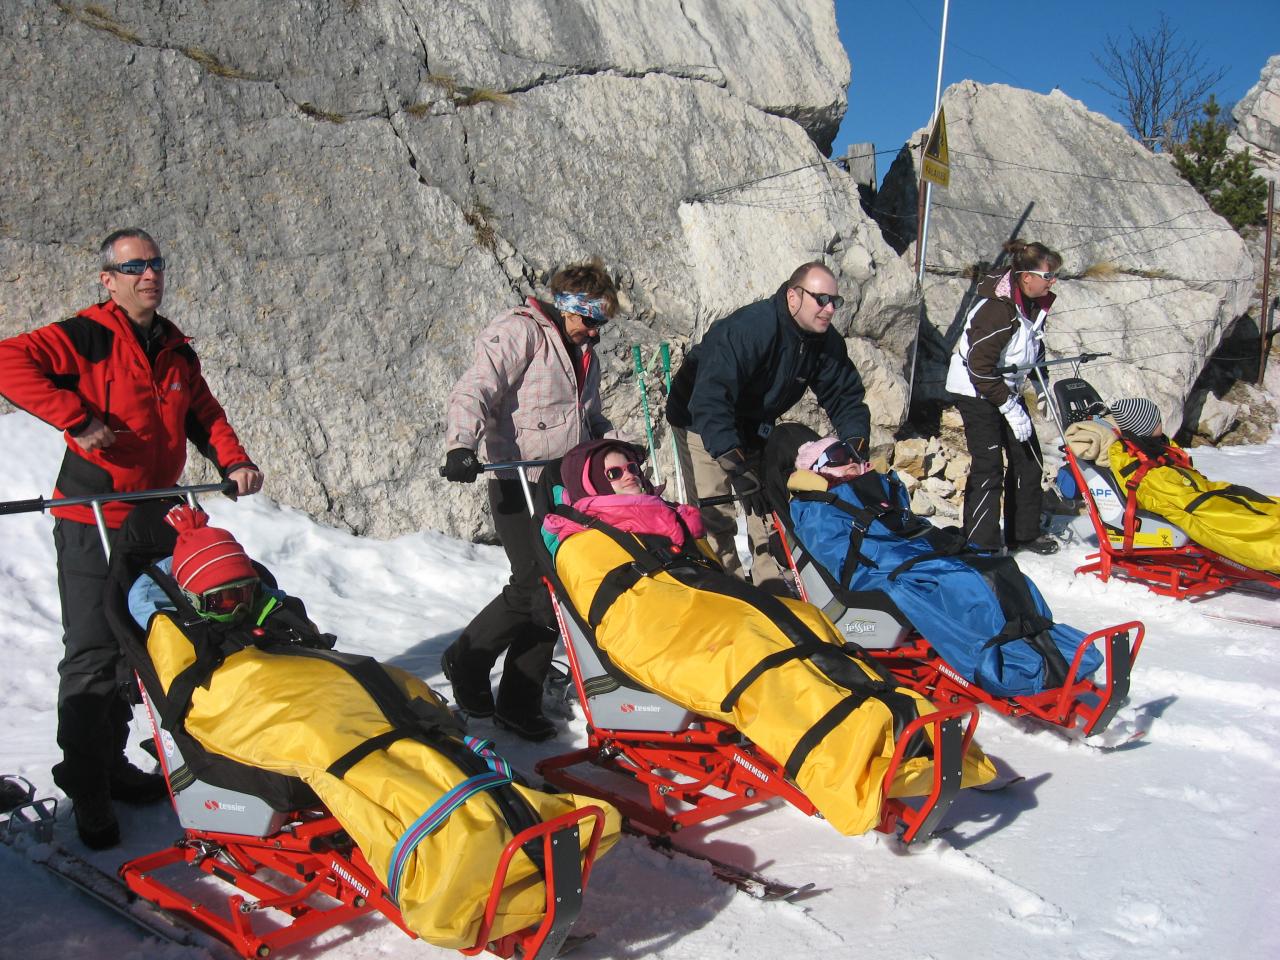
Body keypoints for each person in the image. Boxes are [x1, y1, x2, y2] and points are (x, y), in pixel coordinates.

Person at [540, 439, 997, 836]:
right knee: (757, 653)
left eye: (632, 468)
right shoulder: (581, 542)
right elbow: (625, 612)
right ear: (591, 487)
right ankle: (852, 762)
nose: (629, 477)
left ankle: (906, 725)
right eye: (614, 472)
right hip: (661, 636)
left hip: (705, 614)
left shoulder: (665, 524)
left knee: (807, 626)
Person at [0, 228, 263, 849]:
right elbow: (8, 361)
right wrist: (78, 418)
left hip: (153, 517)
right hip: (91, 515)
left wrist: (234, 461)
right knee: (94, 651)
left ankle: (113, 764)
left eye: (155, 264)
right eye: (134, 266)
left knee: (146, 644)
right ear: (108, 279)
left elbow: (204, 413)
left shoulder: (173, 347)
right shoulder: (87, 335)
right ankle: (88, 784)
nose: (149, 274)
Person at [440, 260, 620, 741]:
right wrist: (462, 444)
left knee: (558, 589)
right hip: (515, 478)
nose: (595, 332)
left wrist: (615, 448)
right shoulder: (520, 332)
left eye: (602, 322)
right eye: (590, 320)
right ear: (567, 307)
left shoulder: (585, 355)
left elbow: (590, 417)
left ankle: (517, 701)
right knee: (535, 587)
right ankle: (466, 660)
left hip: (561, 485)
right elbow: (477, 385)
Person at [665, 261, 871, 593]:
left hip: (754, 421)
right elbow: (710, 398)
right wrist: (735, 465)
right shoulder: (751, 328)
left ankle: (770, 584)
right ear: (794, 296)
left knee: (762, 504)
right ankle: (728, 590)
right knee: (715, 508)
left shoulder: (822, 342)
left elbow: (845, 396)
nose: (830, 309)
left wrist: (854, 448)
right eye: (821, 299)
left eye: (836, 301)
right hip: (700, 416)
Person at [1065, 397, 1280, 574]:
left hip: (1194, 492)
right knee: (1242, 522)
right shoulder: (1139, 463)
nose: (1162, 422)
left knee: (1254, 502)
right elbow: (1178, 499)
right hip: (1183, 503)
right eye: (1156, 419)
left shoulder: (1152, 447)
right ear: (1145, 426)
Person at [945, 239, 1063, 556]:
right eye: (1048, 276)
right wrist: (1009, 407)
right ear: (1026, 277)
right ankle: (979, 540)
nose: (1053, 282)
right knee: (989, 464)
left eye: (1055, 277)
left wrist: (1041, 386)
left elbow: (1033, 347)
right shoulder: (997, 310)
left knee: (1028, 457)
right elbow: (979, 366)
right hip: (974, 388)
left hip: (1004, 385)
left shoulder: (1036, 303)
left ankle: (1021, 534)